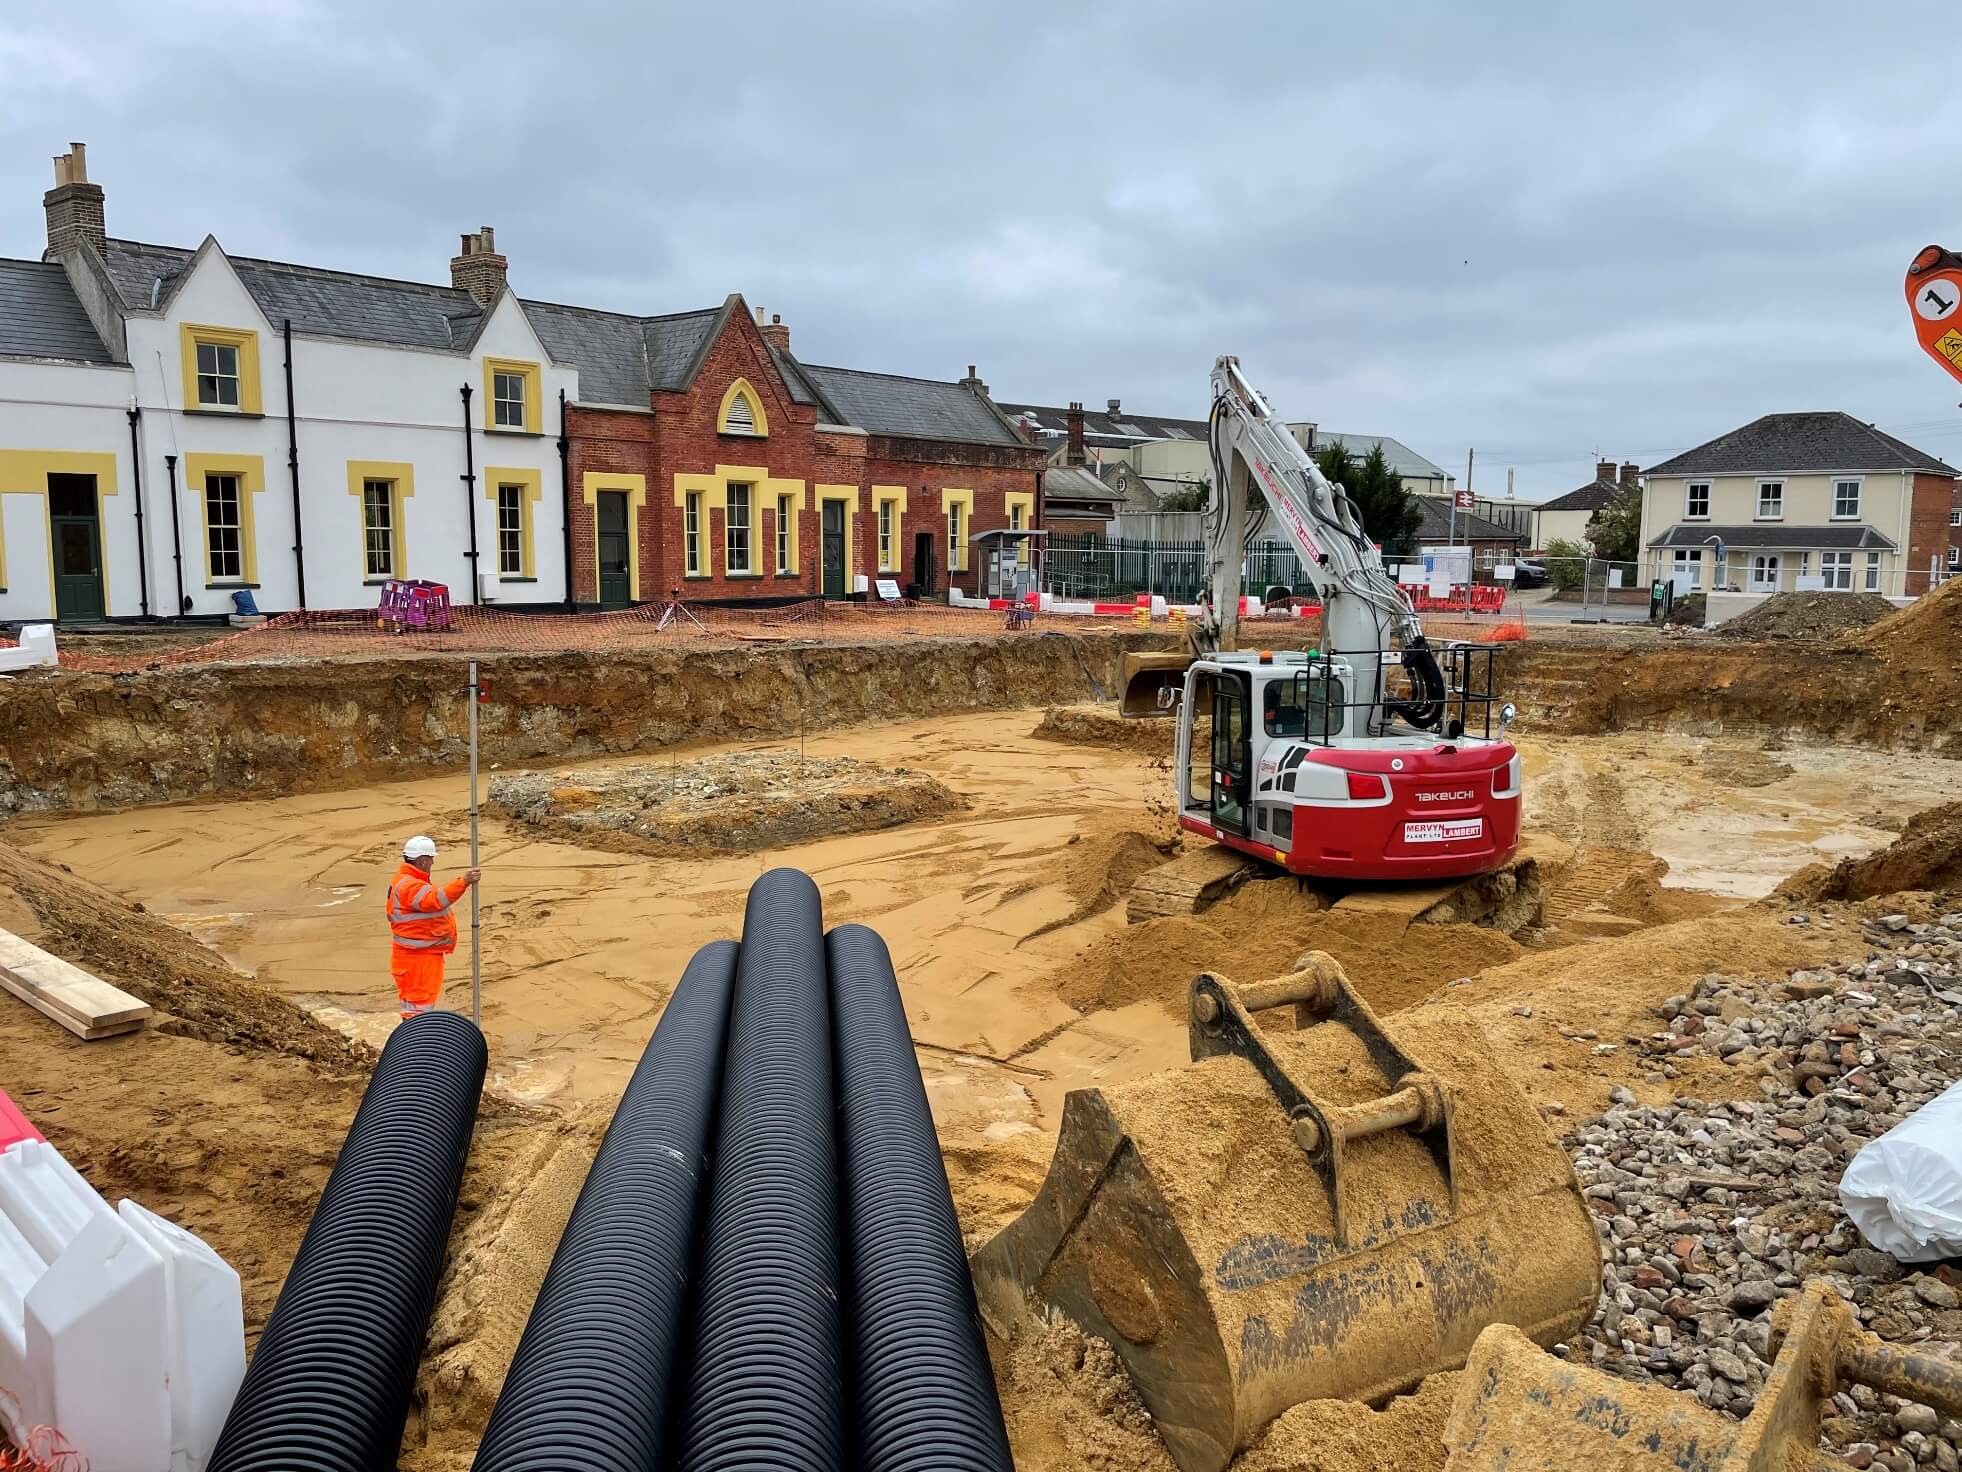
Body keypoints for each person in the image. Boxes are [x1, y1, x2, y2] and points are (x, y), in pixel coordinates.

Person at [385, 835, 479, 1021]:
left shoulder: (409, 879)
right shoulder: (409, 885)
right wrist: (464, 881)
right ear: (422, 860)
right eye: (431, 859)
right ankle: (415, 1045)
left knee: (417, 1009)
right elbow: (436, 899)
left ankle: (416, 1042)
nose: (433, 862)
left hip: (420, 956)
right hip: (417, 960)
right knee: (417, 1012)